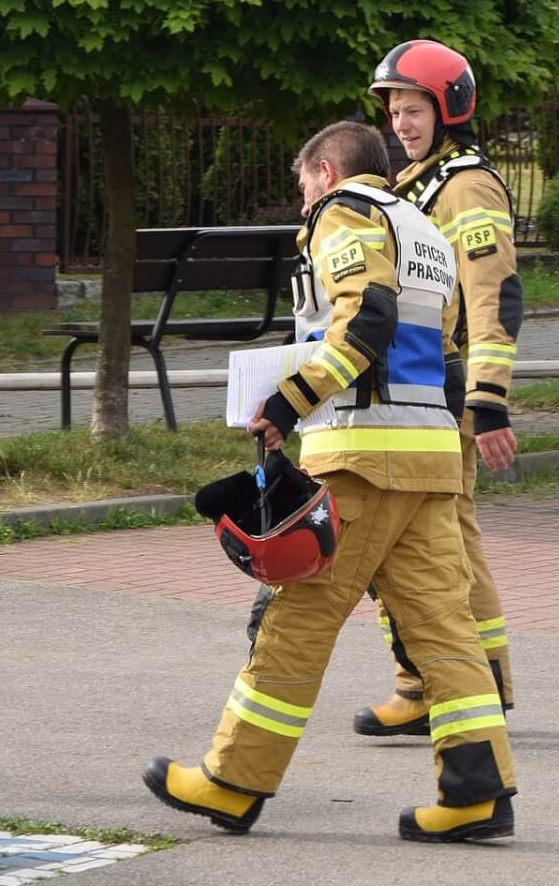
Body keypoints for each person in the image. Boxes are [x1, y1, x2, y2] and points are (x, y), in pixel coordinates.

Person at [143, 121, 517, 843]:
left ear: (325, 170)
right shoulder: (424, 228)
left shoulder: (345, 211)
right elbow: (441, 353)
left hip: (360, 459)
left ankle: (232, 781)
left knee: (296, 618)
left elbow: (365, 317)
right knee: (445, 630)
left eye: (302, 184)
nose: (302, 199)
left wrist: (289, 401)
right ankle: (476, 793)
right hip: (429, 459)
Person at [352, 39, 525, 737]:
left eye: (414, 109)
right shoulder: (418, 181)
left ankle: (440, 686)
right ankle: (462, 684)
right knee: (438, 540)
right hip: (414, 387)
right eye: (394, 110)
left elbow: (493, 295)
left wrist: (488, 399)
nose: (401, 122)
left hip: (443, 392)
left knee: (424, 543)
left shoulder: (464, 187)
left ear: (448, 108)